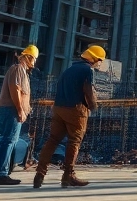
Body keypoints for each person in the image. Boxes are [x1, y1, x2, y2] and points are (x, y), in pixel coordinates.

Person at [33, 45, 103, 189]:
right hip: (76, 110)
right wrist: (93, 106)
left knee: (52, 140)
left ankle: (39, 174)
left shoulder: (69, 69)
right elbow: (88, 90)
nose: (100, 63)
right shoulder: (87, 70)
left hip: (59, 108)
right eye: (100, 60)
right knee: (74, 142)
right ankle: (68, 176)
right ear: (94, 58)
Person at [0, 44, 37, 185]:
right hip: (11, 109)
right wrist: (20, 109)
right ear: (29, 57)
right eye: (34, 59)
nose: (34, 63)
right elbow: (15, 89)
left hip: (9, 108)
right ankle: (1, 174)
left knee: (4, 141)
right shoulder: (18, 69)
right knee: (9, 141)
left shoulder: (19, 70)